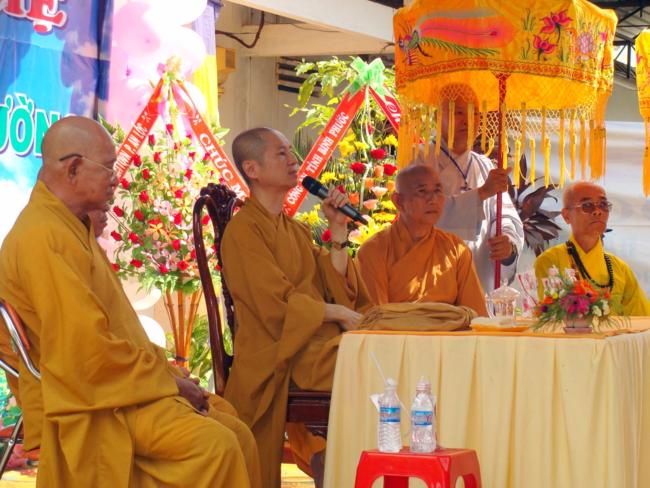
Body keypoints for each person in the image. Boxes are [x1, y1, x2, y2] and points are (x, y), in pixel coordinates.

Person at [0, 116, 259, 487]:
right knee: (216, 446)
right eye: (109, 168)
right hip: (93, 402)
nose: (116, 179)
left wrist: (168, 374)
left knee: (236, 429)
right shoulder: (43, 236)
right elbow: (85, 353)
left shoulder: (68, 226)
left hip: (121, 385)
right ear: (73, 169)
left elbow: (115, 330)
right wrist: (168, 383)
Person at [221, 127, 371, 487]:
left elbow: (331, 284)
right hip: (280, 351)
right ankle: (342, 462)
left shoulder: (295, 230)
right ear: (252, 169)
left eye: (292, 152)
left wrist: (338, 230)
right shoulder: (243, 232)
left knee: (379, 350)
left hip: (313, 344)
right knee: (373, 361)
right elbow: (274, 307)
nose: (294, 161)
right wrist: (337, 314)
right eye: (282, 153)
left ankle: (344, 462)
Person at [418, 83, 525, 292]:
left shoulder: (484, 165)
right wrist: (482, 193)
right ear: (438, 117)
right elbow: (421, 217)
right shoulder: (420, 160)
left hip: (479, 277)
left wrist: (507, 243)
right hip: (431, 279)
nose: (468, 120)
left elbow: (505, 216)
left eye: (474, 113)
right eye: (459, 112)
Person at [357, 164, 487, 315]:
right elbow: (375, 318)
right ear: (398, 201)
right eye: (422, 191)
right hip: (395, 330)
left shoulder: (456, 249)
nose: (433, 199)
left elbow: (475, 314)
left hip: (450, 330)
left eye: (437, 191)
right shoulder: (374, 251)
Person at [534, 181, 650, 315]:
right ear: (566, 216)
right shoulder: (550, 261)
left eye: (603, 205)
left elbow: (643, 318)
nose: (597, 211)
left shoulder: (620, 268)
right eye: (587, 205)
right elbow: (549, 317)